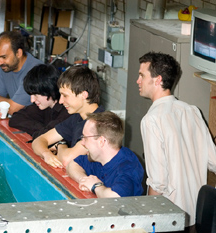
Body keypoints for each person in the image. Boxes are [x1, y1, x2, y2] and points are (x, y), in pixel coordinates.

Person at [137, 51, 216, 230]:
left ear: (157, 80)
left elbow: (158, 182)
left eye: (142, 75)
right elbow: (213, 161)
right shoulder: (192, 111)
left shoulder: (151, 120)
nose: (138, 81)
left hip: (170, 218)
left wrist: (149, 219)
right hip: (198, 216)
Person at [32, 65, 104, 168]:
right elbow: (39, 140)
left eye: (65, 96)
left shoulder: (99, 124)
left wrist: (60, 144)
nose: (61, 101)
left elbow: (67, 159)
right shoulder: (77, 118)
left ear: (83, 95)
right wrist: (46, 154)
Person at [67, 111, 144, 198]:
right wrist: (84, 180)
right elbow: (72, 165)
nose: (82, 143)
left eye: (85, 138)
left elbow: (115, 196)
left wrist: (95, 186)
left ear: (101, 141)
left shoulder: (127, 166)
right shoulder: (97, 158)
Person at [0, 31, 43, 120]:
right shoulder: (5, 67)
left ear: (18, 53)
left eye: (4, 57)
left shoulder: (35, 70)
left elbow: (12, 108)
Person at [9, 64, 70, 139]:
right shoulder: (45, 106)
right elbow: (15, 119)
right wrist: (43, 129)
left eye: (36, 95)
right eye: (31, 95)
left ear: (50, 90)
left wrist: (42, 131)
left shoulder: (67, 113)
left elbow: (48, 136)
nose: (32, 100)